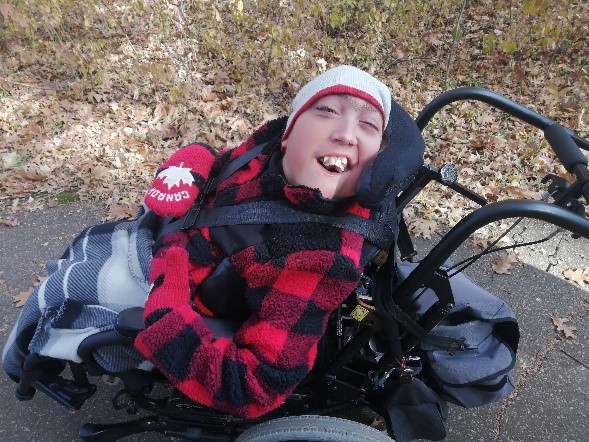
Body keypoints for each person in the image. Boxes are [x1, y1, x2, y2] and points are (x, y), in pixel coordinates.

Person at [134, 65, 393, 418]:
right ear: (288, 134)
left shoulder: (318, 256)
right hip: (171, 226)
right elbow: (226, 164)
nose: (347, 134)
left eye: (368, 125)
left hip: (175, 283)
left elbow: (254, 387)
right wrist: (195, 159)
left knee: (72, 291)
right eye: (327, 110)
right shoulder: (266, 149)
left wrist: (166, 308)